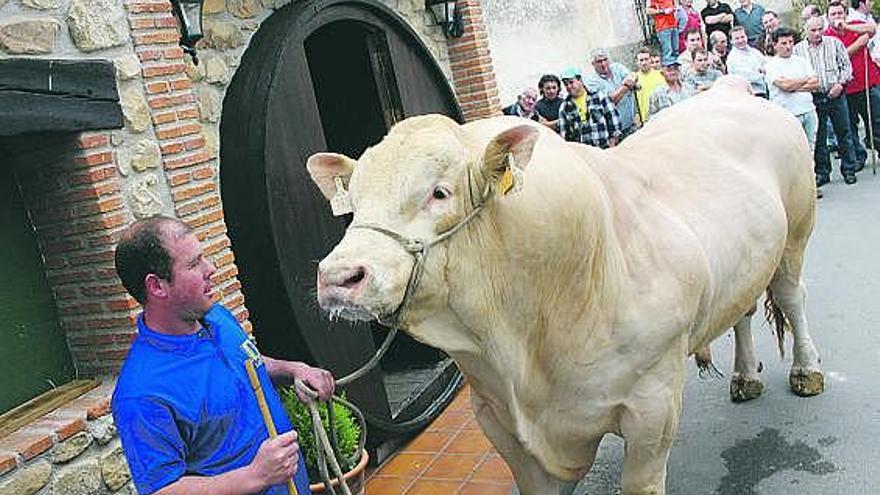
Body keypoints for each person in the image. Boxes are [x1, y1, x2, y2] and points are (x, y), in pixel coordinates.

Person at [112, 216, 336, 495]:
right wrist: (254, 476)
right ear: (157, 286)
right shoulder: (142, 392)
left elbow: (247, 365)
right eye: (194, 264)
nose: (211, 268)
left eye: (203, 257)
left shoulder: (214, 316)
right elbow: (162, 489)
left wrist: (293, 370)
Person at [795, 15, 862, 186]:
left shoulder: (834, 43)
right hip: (813, 97)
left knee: (844, 132)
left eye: (820, 29)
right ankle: (823, 172)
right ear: (806, 30)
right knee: (820, 137)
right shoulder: (798, 50)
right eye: (813, 30)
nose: (817, 33)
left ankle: (849, 169)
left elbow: (846, 67)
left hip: (836, 94)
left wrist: (840, 84)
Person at [826, 0, 880, 169]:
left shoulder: (855, 25)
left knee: (876, 120)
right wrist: (856, 46)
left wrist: (848, 27)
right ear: (828, 18)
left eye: (840, 13)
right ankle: (858, 157)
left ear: (845, 14)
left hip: (867, 82)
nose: (837, 17)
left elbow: (871, 30)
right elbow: (835, 57)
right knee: (850, 126)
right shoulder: (827, 36)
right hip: (845, 87)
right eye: (833, 14)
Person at [765, 27, 820, 159]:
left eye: (790, 42)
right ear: (775, 45)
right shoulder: (771, 65)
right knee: (793, 152)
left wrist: (794, 86)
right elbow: (785, 85)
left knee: (810, 150)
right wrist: (805, 80)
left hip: (808, 110)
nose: (788, 46)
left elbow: (816, 83)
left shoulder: (802, 61)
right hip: (788, 113)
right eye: (784, 43)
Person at [558, 66, 622, 148]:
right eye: (566, 84)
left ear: (580, 80)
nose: (569, 87)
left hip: (604, 150)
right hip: (582, 155)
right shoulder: (564, 107)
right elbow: (565, 135)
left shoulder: (599, 97)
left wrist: (612, 145)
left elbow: (614, 122)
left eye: (571, 82)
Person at [585, 48, 639, 137]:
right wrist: (626, 86)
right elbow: (610, 101)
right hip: (615, 133)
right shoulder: (591, 81)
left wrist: (632, 79)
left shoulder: (617, 67)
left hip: (633, 124)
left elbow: (633, 76)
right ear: (593, 64)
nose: (603, 64)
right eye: (599, 61)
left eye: (605, 60)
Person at [727, 25, 769, 97]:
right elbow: (747, 77)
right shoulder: (732, 58)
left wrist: (765, 71)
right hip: (746, 94)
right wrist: (763, 73)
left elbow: (767, 65)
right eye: (737, 38)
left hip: (763, 91)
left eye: (742, 37)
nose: (740, 40)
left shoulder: (754, 52)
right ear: (731, 41)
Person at [634, 47, 668, 124]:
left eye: (646, 59)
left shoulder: (661, 75)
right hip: (646, 120)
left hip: (663, 116)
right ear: (637, 62)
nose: (644, 62)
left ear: (650, 60)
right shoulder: (634, 79)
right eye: (641, 60)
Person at [647, 0, 680, 66]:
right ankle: (669, 71)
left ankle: (676, 72)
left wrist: (675, 8)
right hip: (662, 26)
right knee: (668, 53)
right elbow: (648, 10)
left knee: (676, 51)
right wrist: (663, 11)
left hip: (673, 25)